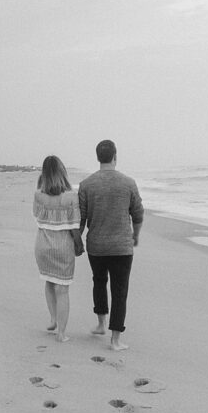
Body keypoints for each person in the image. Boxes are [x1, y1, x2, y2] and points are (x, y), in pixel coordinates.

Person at [78, 140, 143, 351]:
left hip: (96, 245)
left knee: (98, 281)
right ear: (115, 156)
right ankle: (115, 340)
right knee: (119, 290)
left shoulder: (86, 184)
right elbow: (138, 213)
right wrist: (136, 235)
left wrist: (77, 239)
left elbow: (81, 218)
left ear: (98, 157)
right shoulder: (128, 183)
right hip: (122, 247)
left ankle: (100, 324)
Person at [33, 155, 84, 342]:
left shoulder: (38, 195)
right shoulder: (71, 196)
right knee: (62, 289)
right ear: (62, 171)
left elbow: (37, 217)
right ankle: (61, 333)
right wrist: (79, 244)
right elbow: (74, 225)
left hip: (43, 244)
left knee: (49, 282)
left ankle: (53, 319)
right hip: (63, 246)